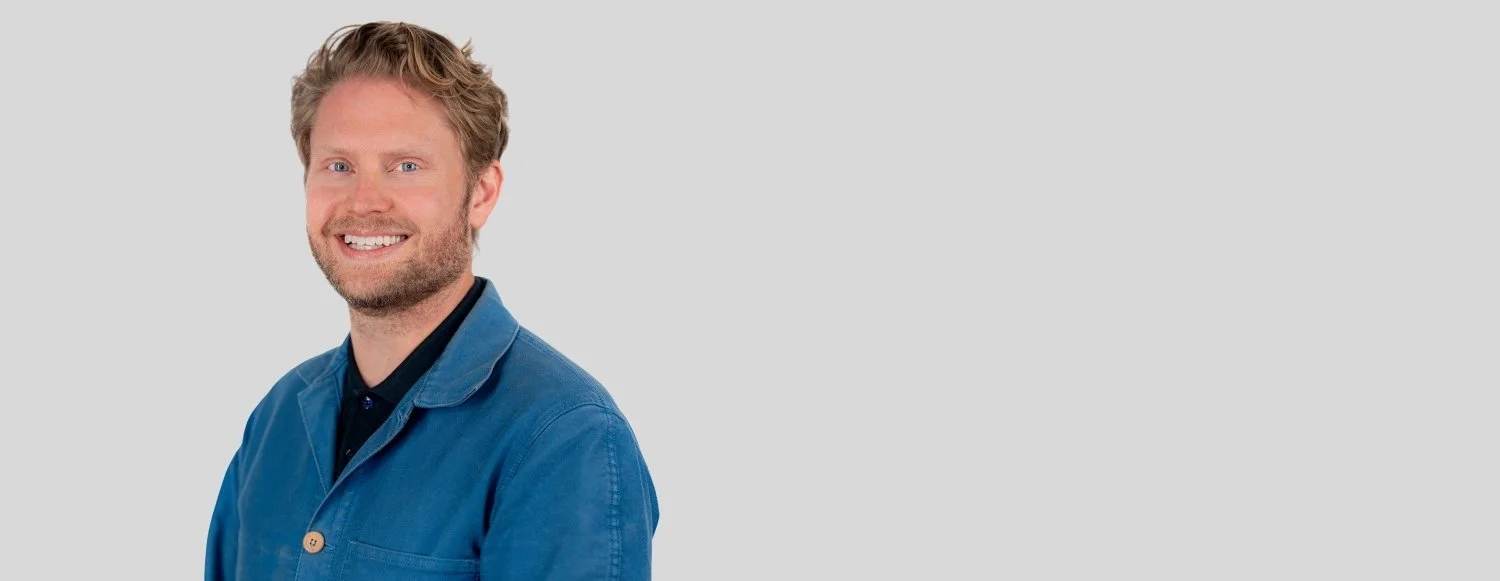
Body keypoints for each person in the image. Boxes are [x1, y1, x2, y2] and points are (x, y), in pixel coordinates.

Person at [205, 21, 659, 580]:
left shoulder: (565, 438)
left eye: (406, 166)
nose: (364, 202)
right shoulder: (278, 419)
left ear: (481, 193)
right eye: (339, 166)